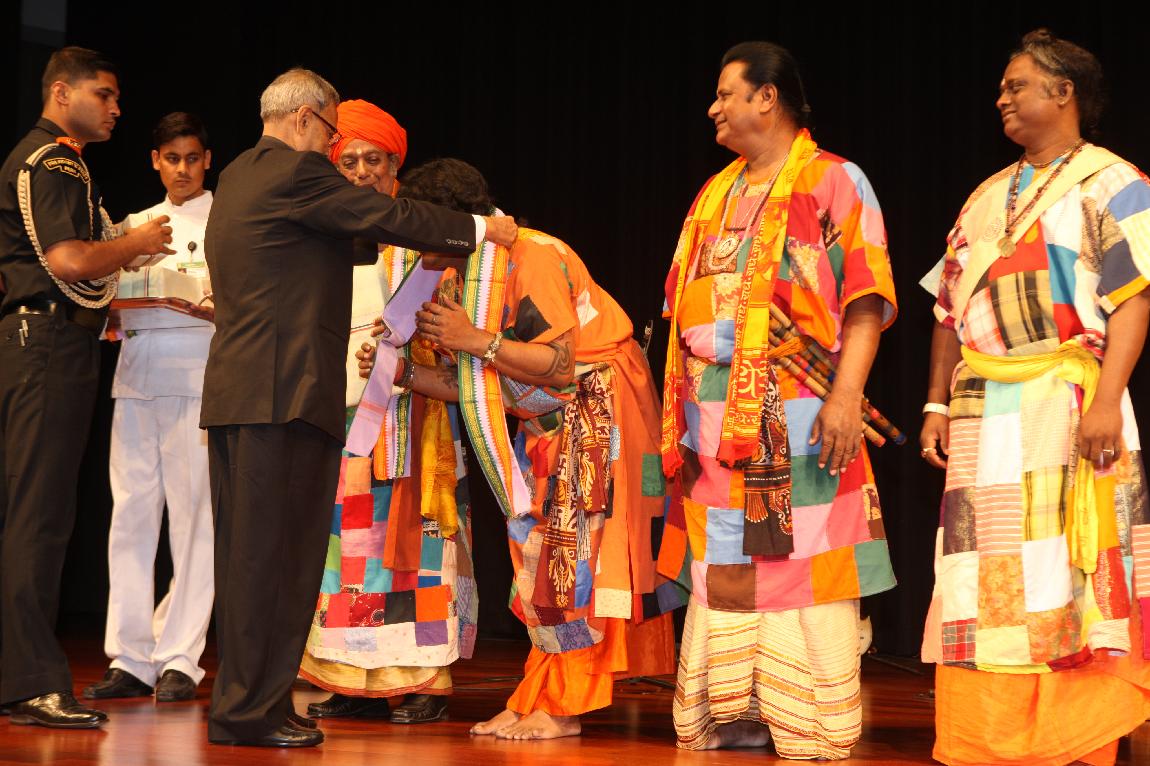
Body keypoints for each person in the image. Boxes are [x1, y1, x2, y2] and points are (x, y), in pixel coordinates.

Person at [200, 69, 516, 748]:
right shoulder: (295, 171)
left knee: (262, 559)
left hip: (247, 395)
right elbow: (388, 216)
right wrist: (482, 228)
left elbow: (335, 244)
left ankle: (256, 703)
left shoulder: (239, 174)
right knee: (272, 560)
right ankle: (247, 712)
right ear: (308, 118)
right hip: (280, 398)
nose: (335, 146)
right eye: (333, 131)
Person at [372, 158, 683, 741]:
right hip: (542, 422)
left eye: (418, 228)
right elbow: (472, 382)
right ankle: (539, 692)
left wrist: (473, 338)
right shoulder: (457, 271)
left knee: (575, 561)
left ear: (451, 226)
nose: (410, 243)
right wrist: (403, 375)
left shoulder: (531, 256)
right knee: (538, 561)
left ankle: (565, 705)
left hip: (598, 408)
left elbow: (559, 365)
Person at [658, 42, 897, 758]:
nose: (713, 108)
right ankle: (734, 713)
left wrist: (847, 396)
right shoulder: (715, 191)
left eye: (725, 94)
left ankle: (808, 721)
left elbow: (865, 297)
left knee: (802, 558)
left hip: (799, 402)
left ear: (768, 97)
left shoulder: (834, 179)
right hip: (712, 413)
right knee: (726, 560)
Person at [919, 29, 1150, 766]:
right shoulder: (986, 195)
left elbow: (1134, 299)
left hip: (1066, 399)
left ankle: (1071, 742)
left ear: (1064, 92)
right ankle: (989, 743)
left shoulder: (1114, 182)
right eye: (1001, 88)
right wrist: (934, 404)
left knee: (1068, 572)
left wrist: (1108, 400)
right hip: (981, 408)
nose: (1002, 98)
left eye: (1016, 84)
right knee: (977, 575)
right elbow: (947, 311)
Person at [0, 46, 174, 728]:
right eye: (104, 94)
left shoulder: (46, 161)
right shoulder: (55, 162)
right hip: (46, 344)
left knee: (30, 512)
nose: (115, 108)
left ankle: (20, 677)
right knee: (39, 517)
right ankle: (31, 684)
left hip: (39, 340)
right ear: (62, 92)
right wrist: (138, 242)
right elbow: (70, 260)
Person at [299, 99, 476, 725]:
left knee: (418, 548)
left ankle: (426, 678)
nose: (360, 172)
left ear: (394, 169)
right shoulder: (318, 239)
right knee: (347, 550)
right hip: (343, 423)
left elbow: (457, 322)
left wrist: (406, 349)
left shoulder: (420, 240)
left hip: (418, 420)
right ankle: (349, 677)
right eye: (347, 161)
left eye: (372, 160)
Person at [82, 112, 215, 705]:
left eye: (192, 158)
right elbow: (98, 298)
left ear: (207, 160)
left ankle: (181, 656)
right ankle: (130, 656)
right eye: (171, 159)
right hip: (136, 377)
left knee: (194, 521)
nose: (182, 169)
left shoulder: (225, 222)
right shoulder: (132, 226)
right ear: (155, 161)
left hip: (199, 376)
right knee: (131, 518)